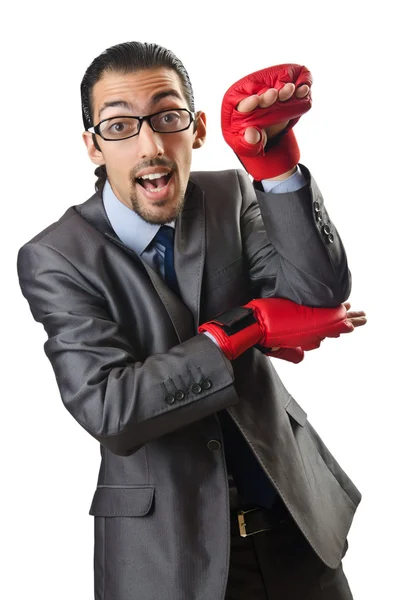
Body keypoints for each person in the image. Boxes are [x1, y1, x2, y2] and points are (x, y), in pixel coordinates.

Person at [17, 41, 367, 600]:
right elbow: (112, 409)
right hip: (171, 562)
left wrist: (273, 166)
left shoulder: (230, 194)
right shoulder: (55, 257)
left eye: (168, 117)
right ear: (92, 146)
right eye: (120, 126)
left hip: (297, 531)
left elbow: (319, 292)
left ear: (198, 128)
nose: (151, 145)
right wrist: (244, 326)